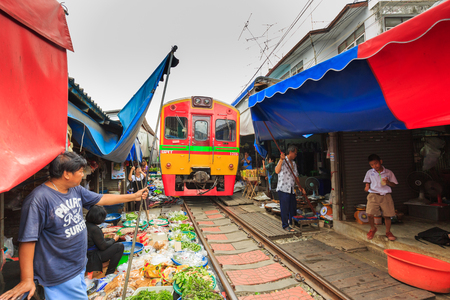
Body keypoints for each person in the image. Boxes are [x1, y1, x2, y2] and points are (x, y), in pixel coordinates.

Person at [0, 152, 148, 300]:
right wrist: (27, 279)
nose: (83, 175)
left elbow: (101, 198)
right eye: (80, 171)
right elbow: (27, 240)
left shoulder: (75, 189)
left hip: (78, 265)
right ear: (66, 174)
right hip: (60, 273)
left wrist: (134, 196)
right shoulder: (39, 200)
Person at [363, 154, 398, 241]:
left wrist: (388, 182)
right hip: (373, 195)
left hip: (385, 196)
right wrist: (367, 186)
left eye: (376, 163)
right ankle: (373, 229)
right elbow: (367, 181)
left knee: (387, 215)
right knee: (370, 214)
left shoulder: (389, 172)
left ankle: (388, 232)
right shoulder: (369, 172)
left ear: (381, 162)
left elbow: (394, 184)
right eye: (372, 165)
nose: (374, 166)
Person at [85, 206, 124, 276]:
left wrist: (106, 235)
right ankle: (110, 272)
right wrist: (114, 239)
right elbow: (103, 246)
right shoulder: (94, 229)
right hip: (92, 256)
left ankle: (103, 263)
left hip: (87, 253)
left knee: (109, 240)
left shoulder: (87, 224)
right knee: (119, 246)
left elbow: (94, 238)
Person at [275, 145, 300, 232]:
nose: (296, 155)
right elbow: (277, 171)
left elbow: (296, 176)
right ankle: (285, 225)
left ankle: (292, 222)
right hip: (283, 189)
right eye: (295, 153)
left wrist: (300, 187)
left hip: (291, 189)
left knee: (293, 207)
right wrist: (281, 160)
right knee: (284, 208)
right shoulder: (283, 161)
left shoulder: (293, 163)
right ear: (291, 152)